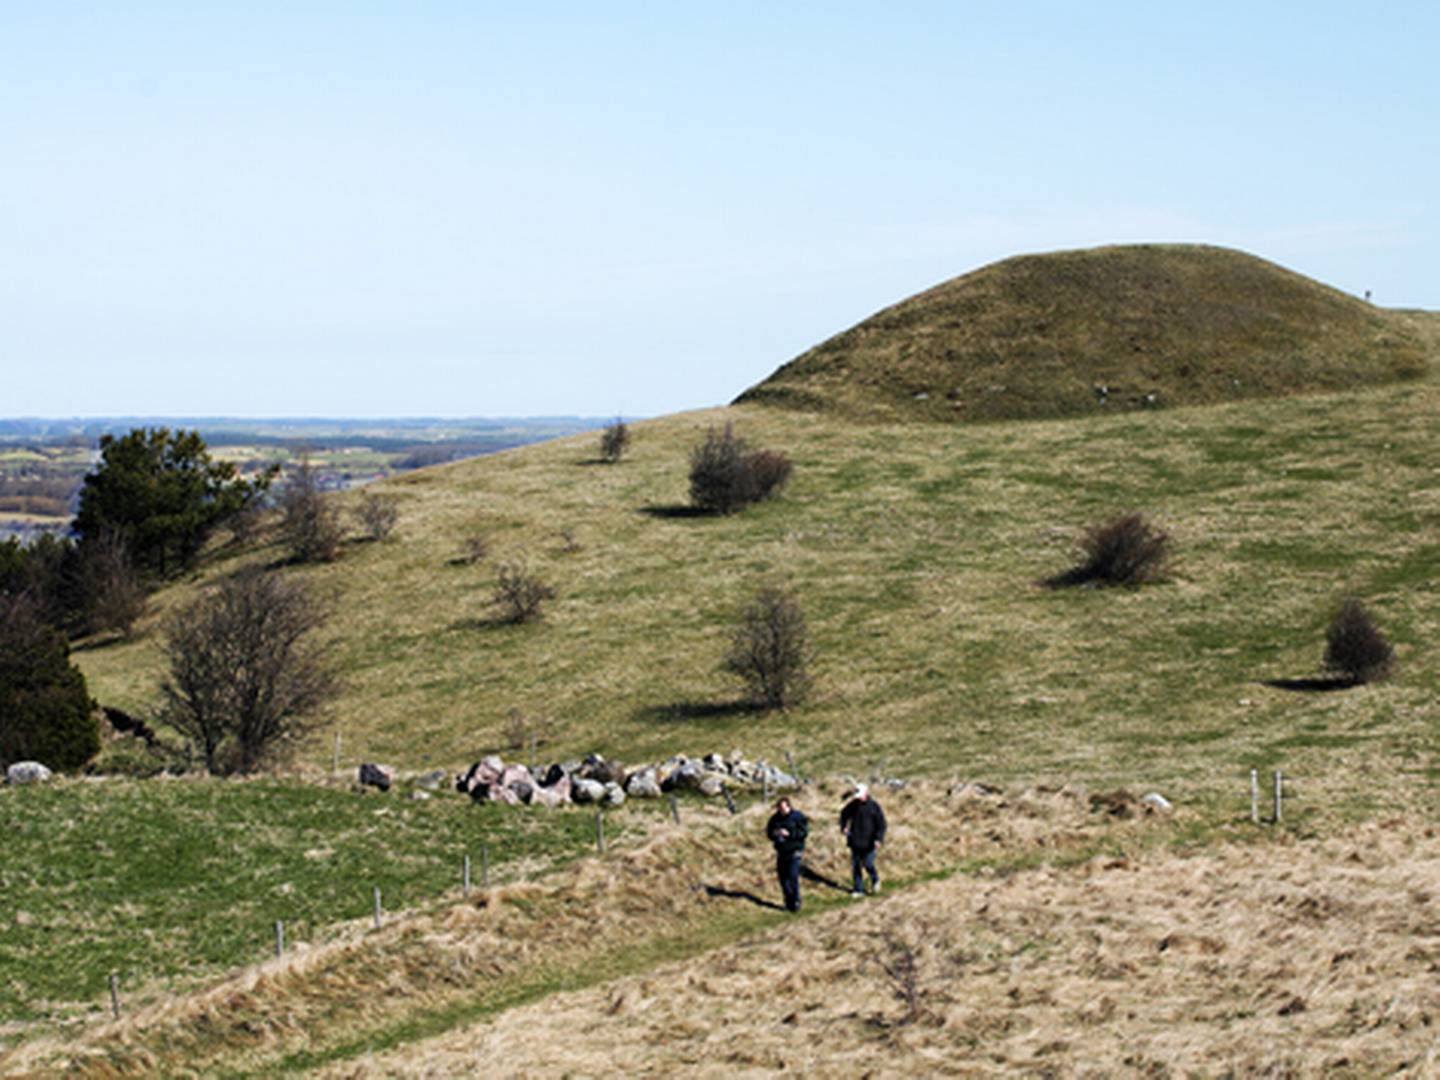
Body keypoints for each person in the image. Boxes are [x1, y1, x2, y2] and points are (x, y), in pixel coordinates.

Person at [839, 783, 887, 896]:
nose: (858, 798)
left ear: (866, 793)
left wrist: (878, 839)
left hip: (870, 842)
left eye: (860, 795)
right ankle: (858, 889)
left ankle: (875, 879)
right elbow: (843, 815)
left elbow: (881, 824)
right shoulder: (852, 805)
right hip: (855, 840)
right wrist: (843, 827)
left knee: (868, 863)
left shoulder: (874, 807)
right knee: (856, 866)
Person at [765, 796, 809, 912]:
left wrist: (789, 834)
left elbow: (804, 832)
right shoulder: (775, 819)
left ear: (789, 806)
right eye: (779, 808)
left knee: (793, 876)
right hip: (781, 852)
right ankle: (788, 900)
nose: (781, 810)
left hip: (795, 851)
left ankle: (796, 900)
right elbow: (768, 833)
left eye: (783, 808)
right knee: (783, 878)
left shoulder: (797, 817)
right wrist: (775, 833)